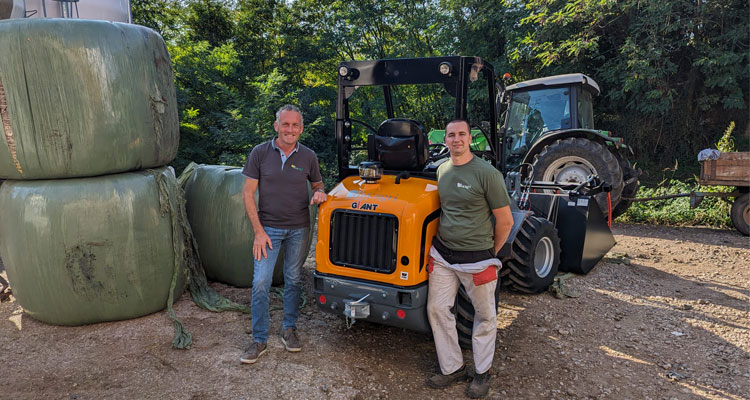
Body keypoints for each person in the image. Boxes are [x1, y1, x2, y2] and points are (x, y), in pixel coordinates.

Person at [425, 119, 514, 398]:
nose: (456, 139)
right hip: (443, 255)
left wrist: (492, 254)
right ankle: (453, 367)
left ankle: (482, 372)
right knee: (437, 311)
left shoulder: (487, 174)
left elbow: (506, 221)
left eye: (461, 134)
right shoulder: (442, 170)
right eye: (451, 135)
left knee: (485, 316)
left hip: (477, 258)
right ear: (446, 139)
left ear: (470, 138)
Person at [239, 104, 327, 364]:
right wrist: (258, 232)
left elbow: (318, 184)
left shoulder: (308, 156)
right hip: (267, 230)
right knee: (260, 282)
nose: (290, 129)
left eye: (295, 125)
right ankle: (259, 339)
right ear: (276, 126)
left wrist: (320, 192)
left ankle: (288, 329)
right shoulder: (260, 153)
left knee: (293, 279)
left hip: (299, 228)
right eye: (285, 124)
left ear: (301, 128)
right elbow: (247, 193)